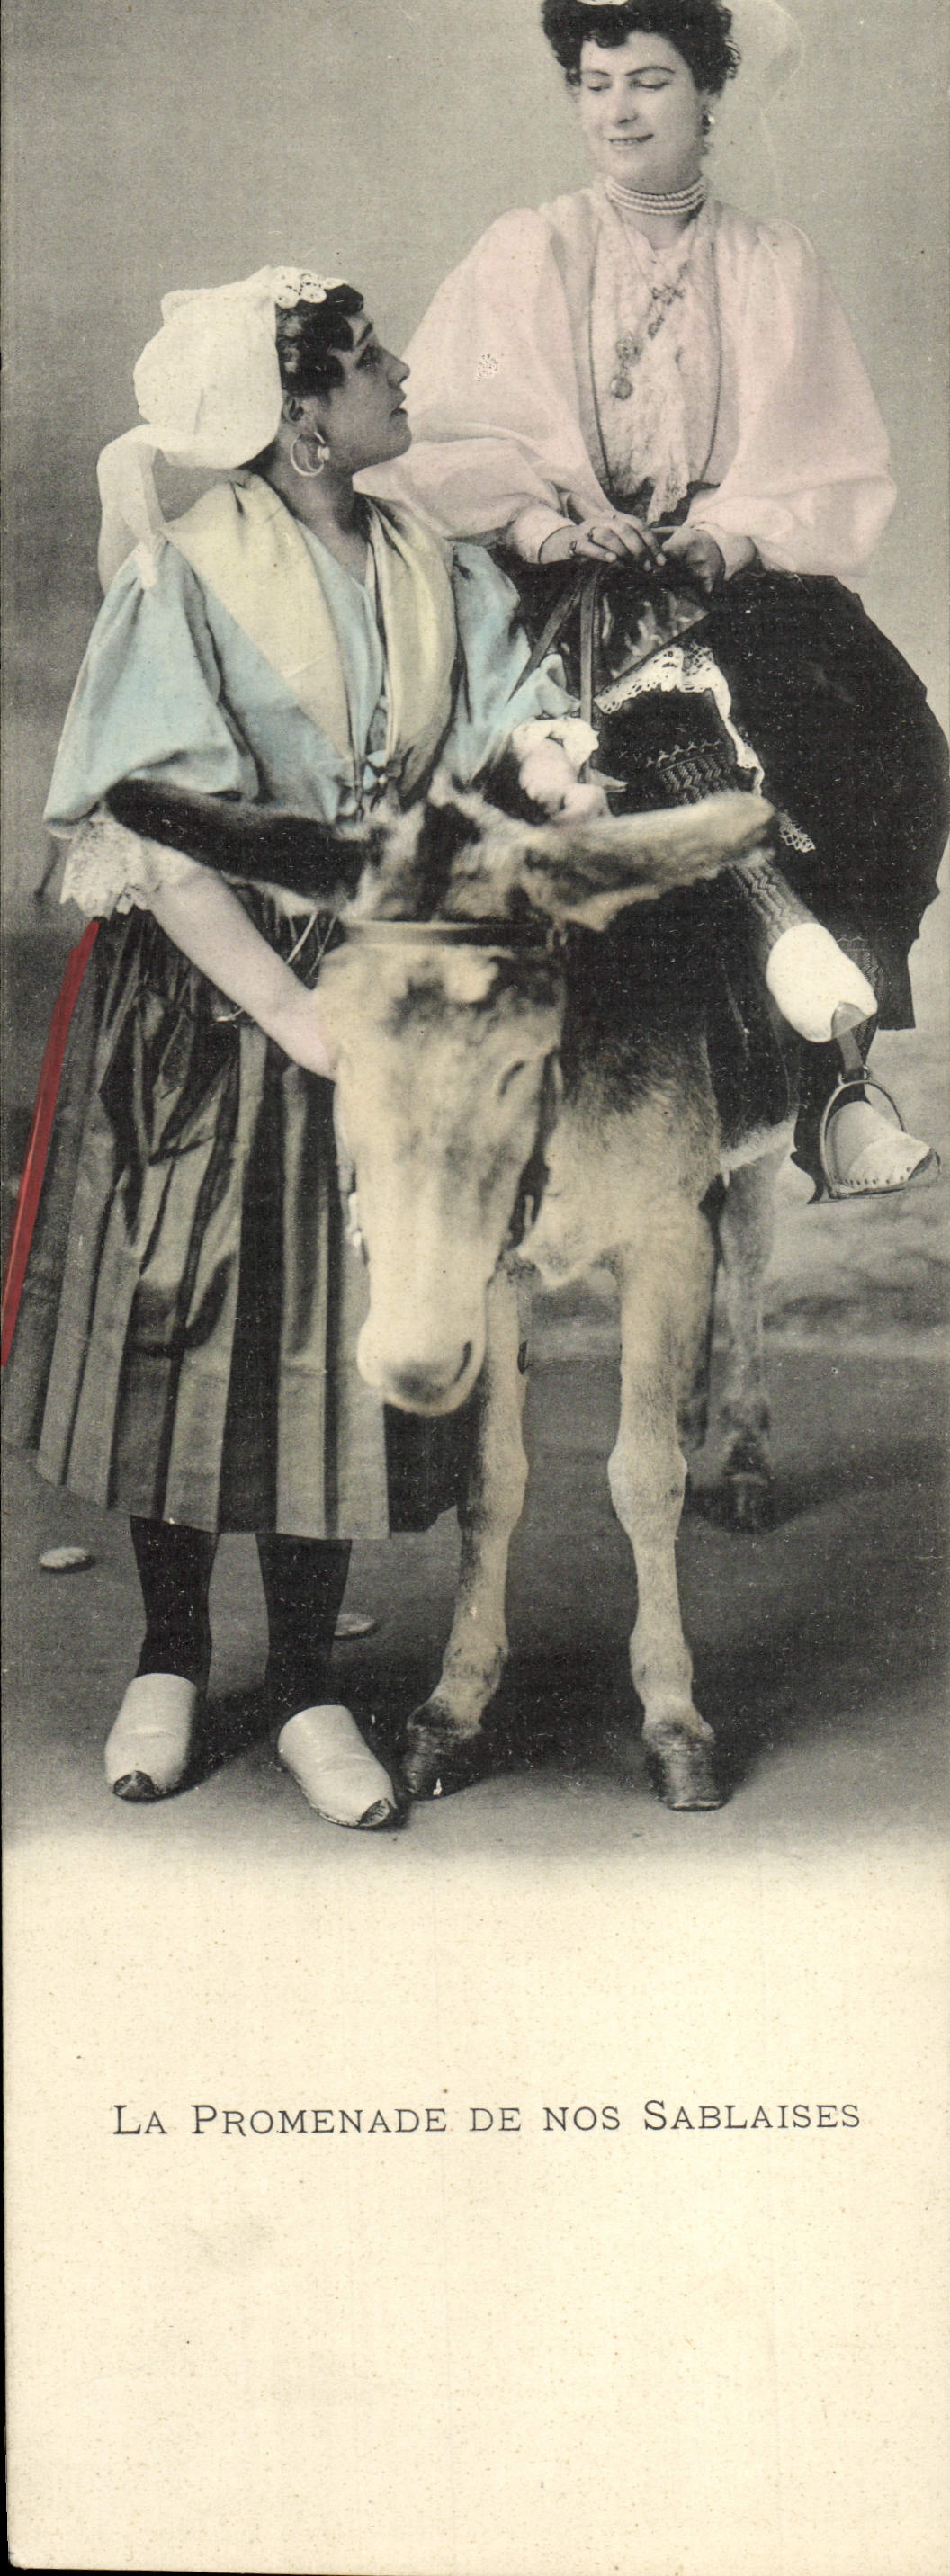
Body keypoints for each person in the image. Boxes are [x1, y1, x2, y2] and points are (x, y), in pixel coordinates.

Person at [4, 265, 594, 1826]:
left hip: (381, 993)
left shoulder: (425, 558)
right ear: (306, 422)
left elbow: (513, 724)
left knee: (336, 1331)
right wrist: (290, 1009)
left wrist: (546, 771)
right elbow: (160, 836)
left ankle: (314, 1686)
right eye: (370, 362)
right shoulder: (192, 574)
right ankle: (171, 1652)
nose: (402, 375)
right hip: (218, 1005)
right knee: (188, 1321)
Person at [372, 0, 948, 1195]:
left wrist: (722, 533)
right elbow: (453, 434)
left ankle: (834, 1083)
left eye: (649, 80)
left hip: (726, 580)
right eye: (595, 84)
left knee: (886, 743)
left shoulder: (771, 261)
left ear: (709, 92)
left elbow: (821, 449)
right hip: (555, 581)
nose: (619, 111)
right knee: (553, 768)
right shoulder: (528, 249)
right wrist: (549, 523)